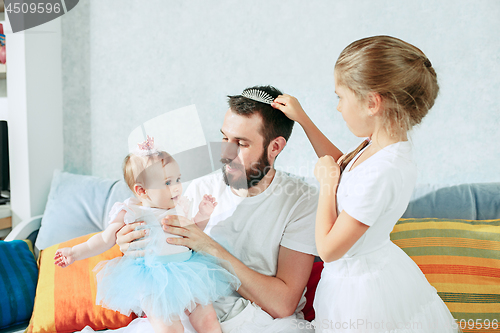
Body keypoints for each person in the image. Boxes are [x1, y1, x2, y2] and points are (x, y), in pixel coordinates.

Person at [272, 35, 459, 332]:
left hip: (360, 294)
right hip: (363, 276)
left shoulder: (384, 172)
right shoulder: (377, 146)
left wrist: (327, 185)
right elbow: (342, 167)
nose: (338, 108)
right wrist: (304, 120)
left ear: (372, 102)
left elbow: (329, 249)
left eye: (340, 97)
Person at [116, 85, 319, 333]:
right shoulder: (196, 189)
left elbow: (283, 304)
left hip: (263, 323)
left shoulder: (302, 200)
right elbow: (160, 256)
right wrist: (131, 243)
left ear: (275, 147)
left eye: (241, 144)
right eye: (224, 138)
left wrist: (207, 245)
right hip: (192, 320)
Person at [54, 137, 240, 333]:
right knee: (169, 328)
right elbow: (103, 239)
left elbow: (192, 234)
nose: (177, 186)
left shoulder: (180, 206)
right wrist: (74, 252)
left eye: (178, 179)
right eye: (168, 182)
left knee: (208, 319)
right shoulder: (132, 211)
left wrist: (202, 215)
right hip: (152, 278)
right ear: (142, 191)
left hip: (188, 271)